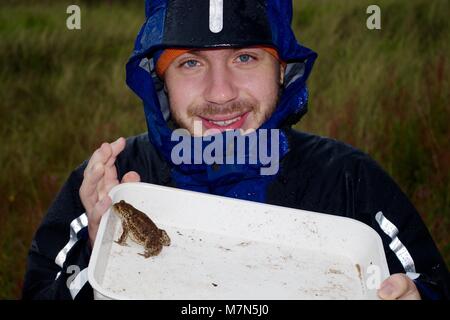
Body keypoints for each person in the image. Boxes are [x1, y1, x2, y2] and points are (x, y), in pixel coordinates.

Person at [23, 0, 449, 300]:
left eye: (245, 57)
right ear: (159, 80)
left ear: (283, 70)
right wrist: (99, 261)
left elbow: (430, 283)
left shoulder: (349, 181)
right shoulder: (111, 187)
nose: (221, 93)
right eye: (191, 62)